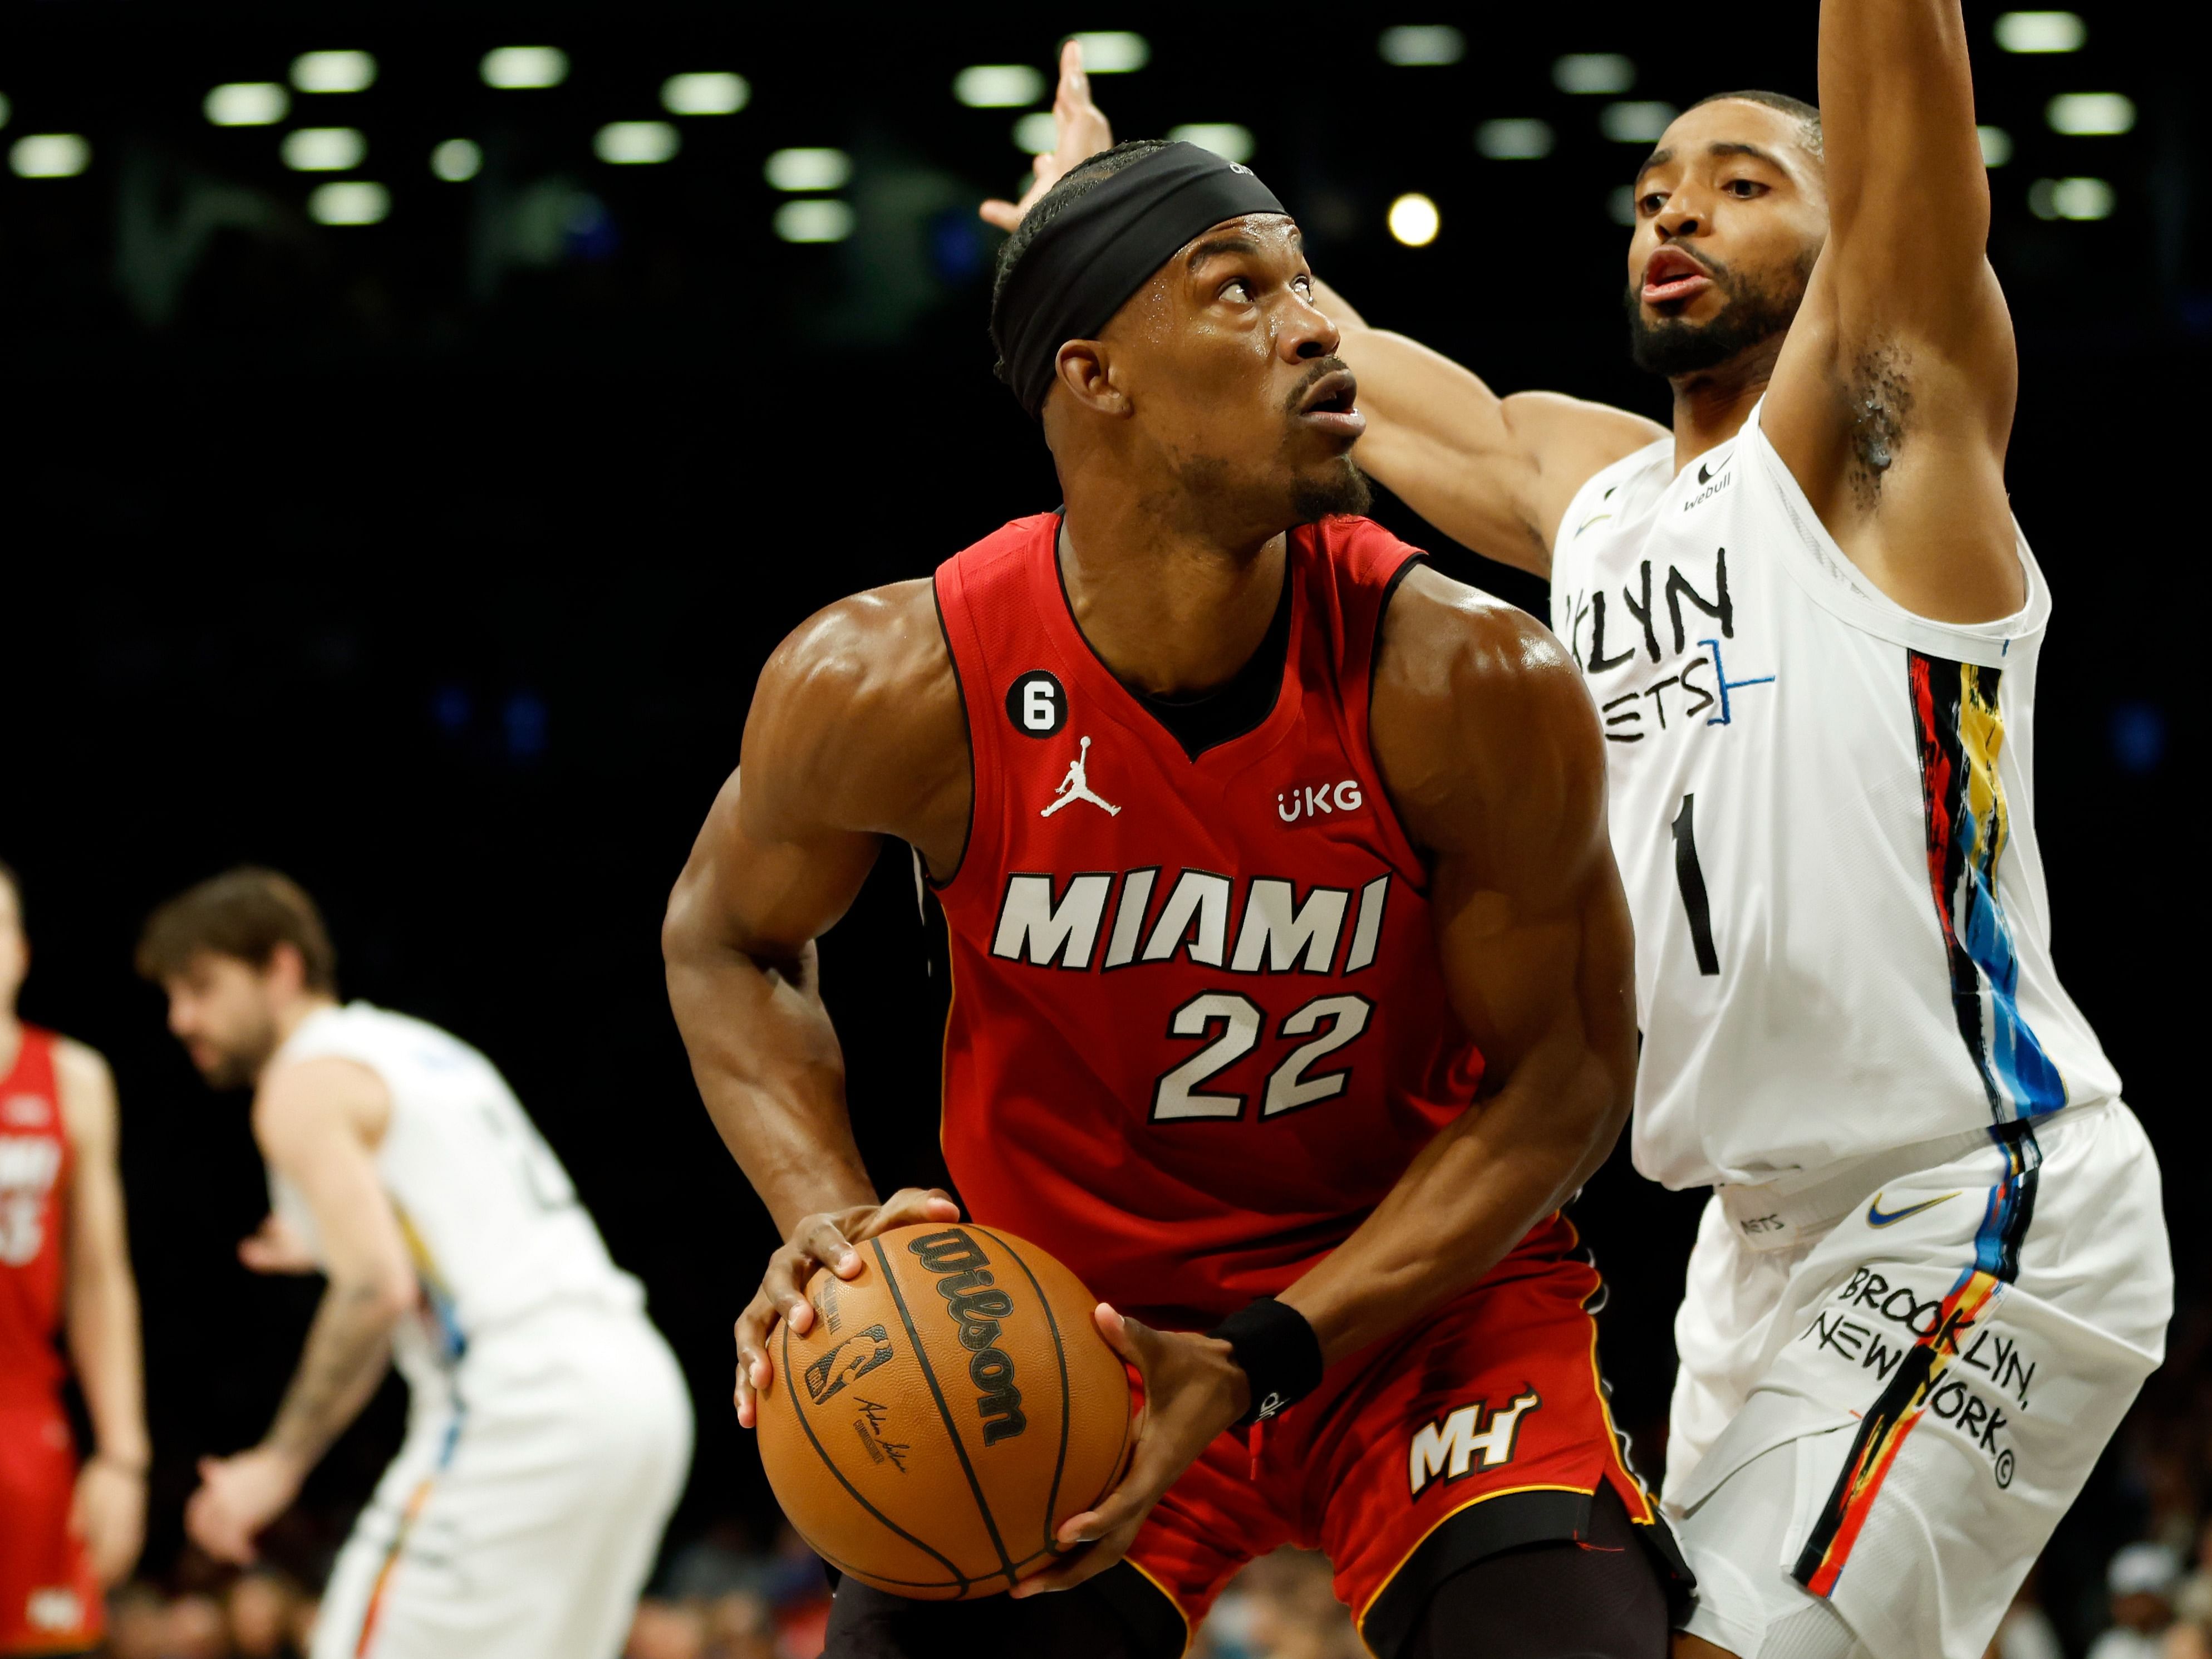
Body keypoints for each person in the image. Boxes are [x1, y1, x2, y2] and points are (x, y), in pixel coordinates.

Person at [990, 5, 2176, 1657]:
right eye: (1649, 191)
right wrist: (1100, 215)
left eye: (1740, 183)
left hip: (1973, 1185)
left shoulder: (1891, 459)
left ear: (1854, 245)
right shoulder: (1596, 498)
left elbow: (1912, 154)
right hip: (1749, 1244)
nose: (1671, 213)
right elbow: (1316, 349)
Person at [665, 135, 1690, 1657]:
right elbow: (727, 940)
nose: (1314, 326)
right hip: (1065, 1337)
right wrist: (832, 1224)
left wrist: (1270, 1348)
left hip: (1417, 1319)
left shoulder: (1468, 678)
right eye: (1239, 291)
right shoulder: (888, 680)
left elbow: (1566, 1080)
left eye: (1302, 282)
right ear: (1094, 376)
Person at [137, 867, 694, 1659]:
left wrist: (275, 1466)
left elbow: (377, 1287)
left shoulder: (300, 1084)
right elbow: (449, 1221)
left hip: (522, 1404)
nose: (181, 1018)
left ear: (281, 968)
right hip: (638, 1393)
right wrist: (323, 1242)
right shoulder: (419, 1049)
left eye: (200, 987)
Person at [0, 859, 148, 1657]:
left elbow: (100, 1282)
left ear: (19, 950)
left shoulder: (74, 1079)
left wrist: (123, 1457)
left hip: (24, 1426)